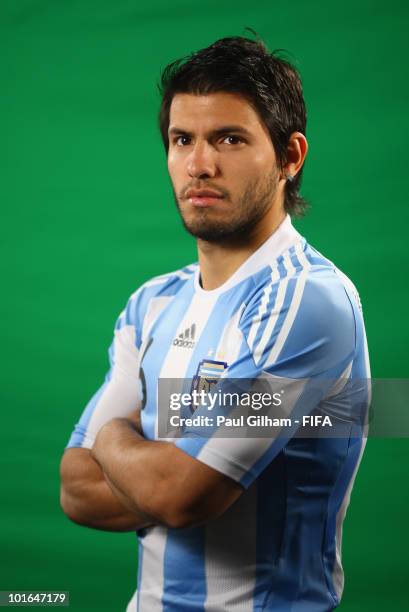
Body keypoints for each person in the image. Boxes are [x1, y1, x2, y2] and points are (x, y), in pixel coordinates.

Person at [60, 36, 370, 611]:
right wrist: (175, 469)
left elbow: (181, 495)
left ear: (289, 157)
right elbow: (77, 491)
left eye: (229, 138)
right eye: (183, 140)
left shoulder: (306, 300)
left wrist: (111, 438)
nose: (200, 164)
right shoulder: (151, 303)